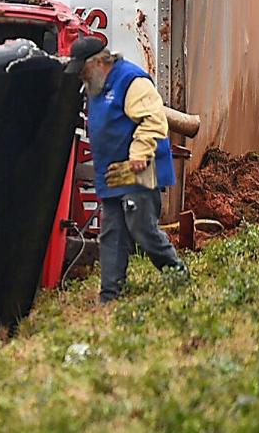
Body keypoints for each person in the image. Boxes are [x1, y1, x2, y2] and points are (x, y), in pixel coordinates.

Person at [65, 36, 188, 304]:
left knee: (141, 228)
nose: (81, 77)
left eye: (83, 70)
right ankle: (109, 295)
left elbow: (154, 120)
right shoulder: (95, 86)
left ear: (99, 62)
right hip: (113, 173)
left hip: (139, 167)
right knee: (112, 232)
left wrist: (140, 153)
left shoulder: (131, 80)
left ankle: (177, 273)